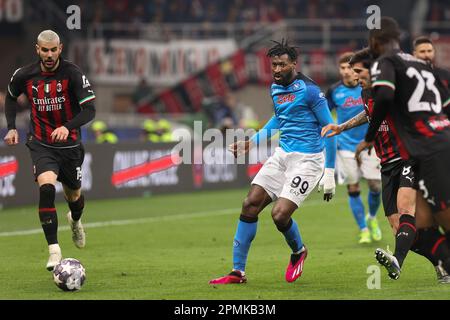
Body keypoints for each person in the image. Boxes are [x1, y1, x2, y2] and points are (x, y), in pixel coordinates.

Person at [209, 40, 337, 285]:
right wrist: (251, 142)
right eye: (273, 65)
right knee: (250, 204)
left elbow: (329, 129)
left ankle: (299, 251)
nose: (276, 70)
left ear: (293, 64)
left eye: (281, 65)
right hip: (282, 155)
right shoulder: (275, 88)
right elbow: (278, 119)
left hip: (308, 160)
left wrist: (329, 172)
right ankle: (238, 272)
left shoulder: (311, 91)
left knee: (279, 215)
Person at [322, 47, 450, 283]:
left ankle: (397, 262)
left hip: (407, 158)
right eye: (353, 71)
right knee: (400, 228)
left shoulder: (392, 90)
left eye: (359, 71)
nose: (356, 76)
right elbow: (367, 114)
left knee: (406, 211)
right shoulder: (365, 93)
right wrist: (342, 127)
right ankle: (441, 263)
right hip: (386, 164)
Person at [360, 17, 450, 280]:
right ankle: (436, 265)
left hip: (427, 149)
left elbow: (385, 96)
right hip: (433, 145)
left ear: (376, 43)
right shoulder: (423, 66)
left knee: (434, 221)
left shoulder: (386, 64)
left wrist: (368, 136)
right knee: (418, 222)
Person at [3, 30, 96, 271]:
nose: (49, 54)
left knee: (74, 196)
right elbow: (11, 98)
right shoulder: (25, 75)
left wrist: (67, 126)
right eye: (45, 50)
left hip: (70, 146)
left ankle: (75, 221)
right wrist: (12, 127)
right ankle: (54, 250)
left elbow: (90, 110)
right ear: (37, 49)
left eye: (53, 50)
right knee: (46, 187)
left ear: (60, 48)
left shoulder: (72, 73)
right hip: (41, 143)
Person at [326, 52, 382, 244]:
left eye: (349, 68)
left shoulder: (366, 87)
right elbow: (324, 115)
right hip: (345, 146)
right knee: (353, 186)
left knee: (375, 187)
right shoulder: (334, 91)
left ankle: (372, 218)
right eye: (342, 68)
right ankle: (363, 229)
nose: (346, 72)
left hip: (369, 144)